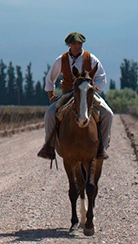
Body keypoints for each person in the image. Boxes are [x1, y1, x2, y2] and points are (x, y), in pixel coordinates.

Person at [37, 32, 114, 160]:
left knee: (108, 114)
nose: (78, 46)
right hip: (68, 94)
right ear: (69, 45)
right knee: (49, 114)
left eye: (80, 44)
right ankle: (49, 146)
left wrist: (91, 90)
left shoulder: (91, 59)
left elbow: (102, 78)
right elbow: (50, 79)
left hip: (88, 93)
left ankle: (102, 147)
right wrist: (51, 96)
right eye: (74, 44)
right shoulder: (61, 60)